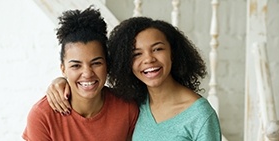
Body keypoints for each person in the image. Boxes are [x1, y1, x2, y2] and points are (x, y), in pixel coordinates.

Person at [47, 17, 221, 141]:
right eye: (137, 54)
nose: (149, 59)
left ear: (173, 53)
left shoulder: (200, 116)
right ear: (126, 62)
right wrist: (61, 81)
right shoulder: (136, 104)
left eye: (157, 49)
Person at [22, 7, 138, 141]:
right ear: (63, 69)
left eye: (96, 63)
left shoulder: (127, 109)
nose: (87, 74)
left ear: (107, 64)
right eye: (76, 65)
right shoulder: (43, 116)